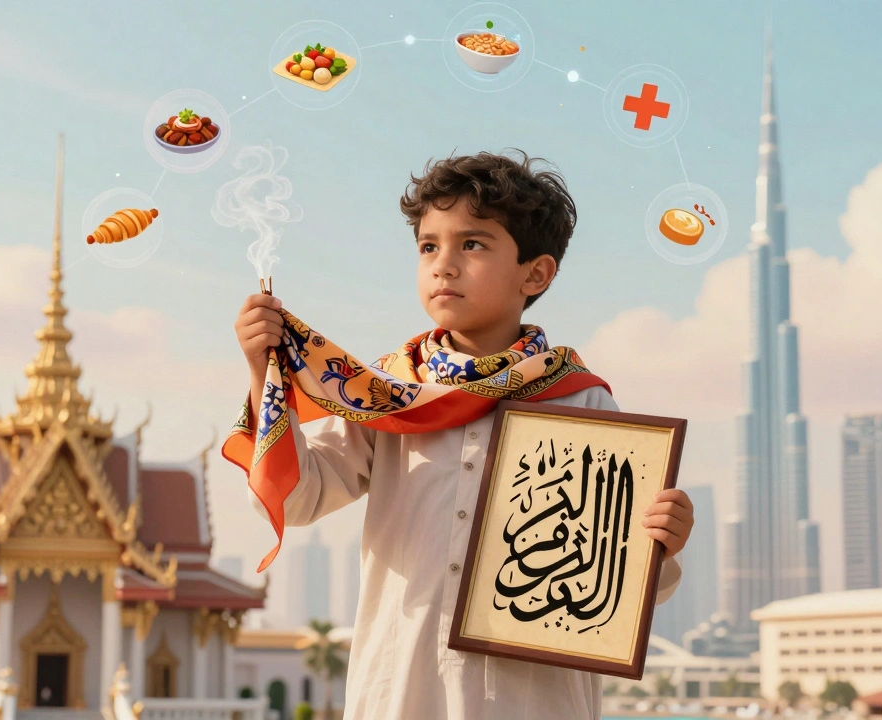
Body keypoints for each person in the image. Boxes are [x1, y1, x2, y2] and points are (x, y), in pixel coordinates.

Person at [230, 151, 695, 719]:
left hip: (532, 703)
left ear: (536, 273)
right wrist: (264, 372)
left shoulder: (581, 403)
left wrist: (662, 541)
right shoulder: (382, 392)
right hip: (400, 694)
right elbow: (298, 497)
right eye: (429, 246)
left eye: (472, 244)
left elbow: (618, 584)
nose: (443, 266)